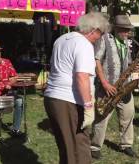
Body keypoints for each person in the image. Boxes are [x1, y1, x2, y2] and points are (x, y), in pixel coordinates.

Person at [43, 12, 109, 164]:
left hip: (52, 97)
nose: (100, 38)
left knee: (67, 146)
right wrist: (88, 106)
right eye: (101, 33)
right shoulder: (84, 44)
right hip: (68, 100)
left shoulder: (61, 39)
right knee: (77, 149)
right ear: (94, 30)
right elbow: (82, 77)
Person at [90, 15, 138, 159]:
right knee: (102, 117)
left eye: (128, 30)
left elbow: (126, 63)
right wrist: (105, 83)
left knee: (128, 116)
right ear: (116, 29)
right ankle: (95, 146)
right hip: (108, 88)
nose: (127, 33)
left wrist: (133, 67)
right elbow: (96, 60)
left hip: (124, 88)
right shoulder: (105, 39)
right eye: (124, 30)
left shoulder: (125, 43)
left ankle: (126, 145)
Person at [0, 40, 24, 137]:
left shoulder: (6, 62)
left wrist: (9, 83)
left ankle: (15, 129)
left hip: (4, 94)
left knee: (20, 101)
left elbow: (14, 77)